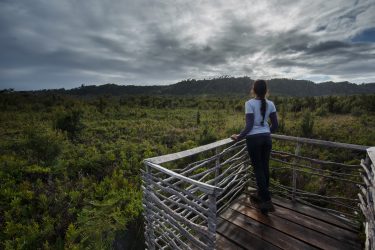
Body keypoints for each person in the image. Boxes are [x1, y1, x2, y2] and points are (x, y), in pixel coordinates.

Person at [231, 79, 278, 214]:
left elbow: (249, 125)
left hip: (254, 140)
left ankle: (267, 200)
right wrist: (266, 132)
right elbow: (275, 125)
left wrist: (238, 137)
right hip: (266, 139)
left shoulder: (249, 103)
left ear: (254, 90)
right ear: (266, 90)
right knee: (265, 167)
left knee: (258, 169)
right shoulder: (271, 104)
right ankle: (262, 196)